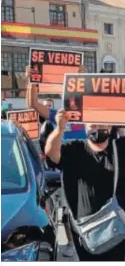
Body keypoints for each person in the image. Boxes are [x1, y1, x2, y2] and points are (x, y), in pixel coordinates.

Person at [44, 103, 125, 261]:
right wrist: (59, 129)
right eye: (92, 125)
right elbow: (51, 153)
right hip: (85, 229)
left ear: (111, 126)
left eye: (101, 125)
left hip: (116, 227)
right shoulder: (74, 150)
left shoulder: (122, 148)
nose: (97, 129)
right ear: (85, 127)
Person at [25, 66, 86, 258]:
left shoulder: (90, 115)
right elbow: (33, 103)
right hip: (64, 170)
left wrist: (84, 78)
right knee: (66, 214)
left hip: (87, 170)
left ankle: (85, 242)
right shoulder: (59, 115)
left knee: (83, 212)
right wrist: (32, 80)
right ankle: (70, 242)